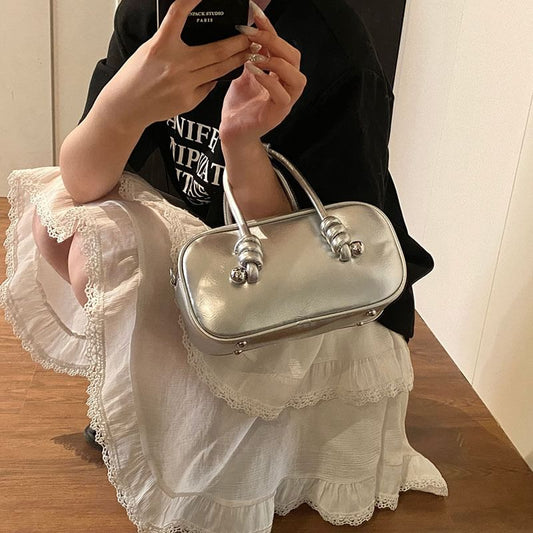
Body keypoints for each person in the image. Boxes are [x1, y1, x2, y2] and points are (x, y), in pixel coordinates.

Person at [0, 0, 448, 531]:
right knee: (61, 225)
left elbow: (330, 265)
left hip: (319, 295)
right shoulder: (156, 14)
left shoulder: (333, 42)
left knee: (99, 251)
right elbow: (80, 182)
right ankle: (172, 407)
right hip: (218, 255)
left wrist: (242, 144)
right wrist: (125, 106)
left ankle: (217, 426)